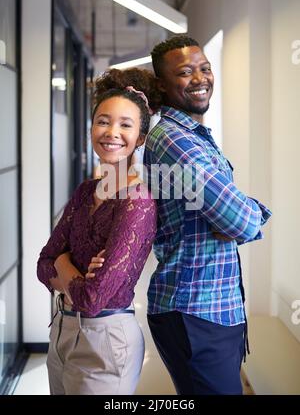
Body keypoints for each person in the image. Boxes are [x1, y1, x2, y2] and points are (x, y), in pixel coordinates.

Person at [143, 35, 272, 395]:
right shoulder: (175, 141)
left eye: (205, 68)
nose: (200, 79)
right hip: (196, 310)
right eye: (185, 72)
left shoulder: (197, 136)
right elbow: (240, 222)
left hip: (214, 307)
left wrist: (234, 206)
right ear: (161, 85)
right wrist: (251, 209)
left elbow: (231, 211)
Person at [37, 67, 161, 395]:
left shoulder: (138, 202)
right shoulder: (84, 191)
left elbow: (92, 300)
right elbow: (41, 264)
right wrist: (68, 269)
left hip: (106, 342)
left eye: (125, 124)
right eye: (103, 121)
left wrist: (62, 264)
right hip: (61, 333)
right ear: (92, 126)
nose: (111, 132)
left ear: (142, 137)